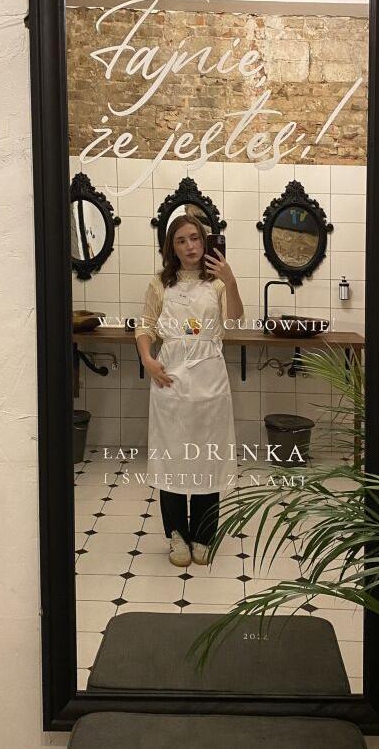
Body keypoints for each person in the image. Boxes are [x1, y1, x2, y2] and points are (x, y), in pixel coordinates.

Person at [135, 214, 244, 567]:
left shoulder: (218, 283)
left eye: (195, 238)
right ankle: (177, 536)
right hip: (170, 379)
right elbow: (145, 326)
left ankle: (204, 535)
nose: (190, 246)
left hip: (210, 381)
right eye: (181, 240)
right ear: (172, 247)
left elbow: (234, 322)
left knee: (207, 458)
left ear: (204, 240)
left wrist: (231, 280)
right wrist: (148, 360)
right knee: (172, 458)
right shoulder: (159, 284)